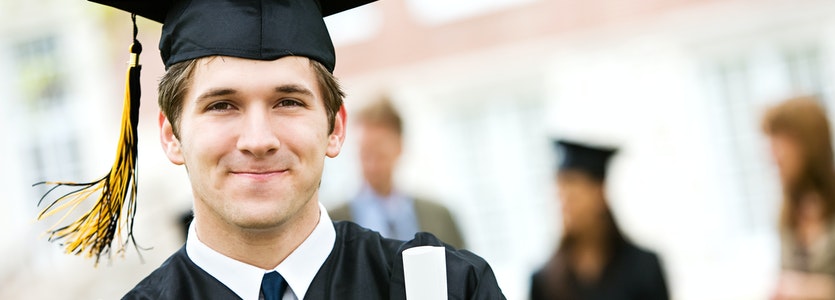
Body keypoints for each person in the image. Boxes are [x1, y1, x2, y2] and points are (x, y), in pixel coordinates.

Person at [41, 0, 506, 299]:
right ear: (170, 135)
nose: (259, 139)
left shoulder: (443, 288)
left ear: (335, 128)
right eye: (223, 105)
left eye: (288, 101)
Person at [763, 96, 835, 300]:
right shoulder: (787, 214)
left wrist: (830, 290)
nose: (773, 155)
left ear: (811, 146)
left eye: (782, 142)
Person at [530, 140, 668, 300]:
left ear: (599, 192)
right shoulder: (545, 280)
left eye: (574, 194)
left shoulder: (644, 268)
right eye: (561, 196)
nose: (566, 206)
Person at [329, 97, 465, 248]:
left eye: (380, 153)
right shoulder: (332, 224)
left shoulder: (440, 217)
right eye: (365, 153)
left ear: (399, 147)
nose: (372, 165)